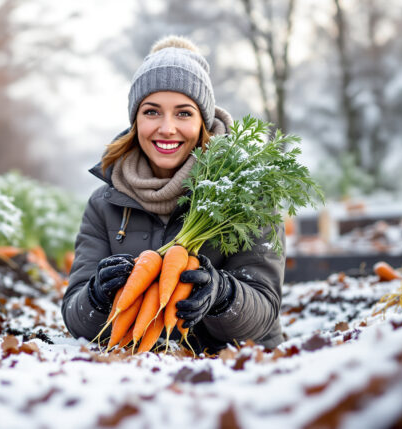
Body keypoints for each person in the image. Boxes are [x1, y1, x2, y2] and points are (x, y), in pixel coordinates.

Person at [61, 35, 285, 353]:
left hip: (236, 370)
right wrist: (97, 296)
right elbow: (76, 317)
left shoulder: (246, 195)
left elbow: (263, 311)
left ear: (203, 122)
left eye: (183, 113)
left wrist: (222, 295)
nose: (167, 128)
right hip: (135, 366)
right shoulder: (105, 203)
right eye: (152, 112)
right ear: (135, 120)